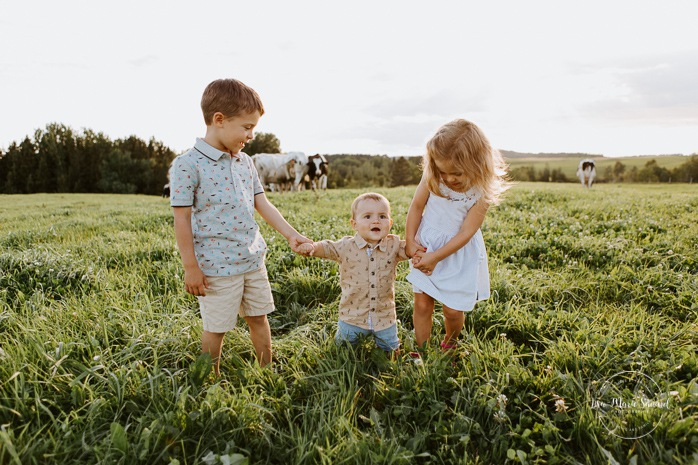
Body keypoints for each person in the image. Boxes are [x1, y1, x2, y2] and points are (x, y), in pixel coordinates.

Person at [170, 78, 311, 375]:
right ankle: (209, 379)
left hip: (252, 259)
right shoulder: (187, 164)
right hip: (216, 267)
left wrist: (292, 234)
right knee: (216, 328)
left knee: (259, 318)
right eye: (247, 128)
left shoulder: (245, 162)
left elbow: (263, 204)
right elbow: (181, 219)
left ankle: (267, 370)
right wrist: (190, 267)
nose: (251, 136)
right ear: (219, 120)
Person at [405, 119, 510, 358]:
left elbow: (467, 232)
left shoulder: (480, 191)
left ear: (477, 164)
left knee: (452, 310)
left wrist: (436, 257)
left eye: (457, 173)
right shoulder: (433, 176)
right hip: (427, 245)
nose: (449, 178)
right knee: (422, 304)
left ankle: (450, 343)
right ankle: (421, 352)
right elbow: (416, 206)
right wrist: (411, 241)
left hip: (456, 255)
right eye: (443, 171)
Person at [297, 193, 409, 356]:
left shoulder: (394, 246)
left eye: (382, 216)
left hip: (384, 317)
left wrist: (422, 251)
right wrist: (312, 248)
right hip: (352, 316)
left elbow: (410, 250)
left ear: (390, 223)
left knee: (391, 350)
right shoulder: (346, 246)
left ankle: (391, 361)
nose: (376, 221)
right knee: (342, 351)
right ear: (354, 224)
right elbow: (329, 248)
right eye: (368, 216)